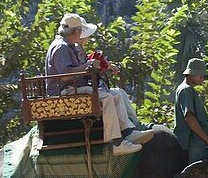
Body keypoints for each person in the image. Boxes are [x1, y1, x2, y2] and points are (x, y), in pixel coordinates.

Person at [45, 14, 142, 155]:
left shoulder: (69, 46)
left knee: (115, 94)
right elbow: (66, 76)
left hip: (74, 87)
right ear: (76, 31)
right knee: (106, 98)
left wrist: (93, 65)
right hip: (65, 91)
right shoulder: (61, 48)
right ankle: (116, 143)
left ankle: (128, 131)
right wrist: (87, 66)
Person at [77, 23, 153, 149]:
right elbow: (76, 71)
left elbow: (87, 64)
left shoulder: (78, 49)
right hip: (75, 88)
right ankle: (116, 141)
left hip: (83, 84)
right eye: (87, 36)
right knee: (108, 97)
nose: (88, 39)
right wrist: (94, 66)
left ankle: (132, 127)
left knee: (120, 92)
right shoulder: (70, 49)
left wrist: (105, 64)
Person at [173, 58, 208, 166]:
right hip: (194, 145)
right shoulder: (186, 90)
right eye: (200, 75)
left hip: (198, 143)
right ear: (190, 74)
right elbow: (189, 118)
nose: (202, 78)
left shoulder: (186, 89)